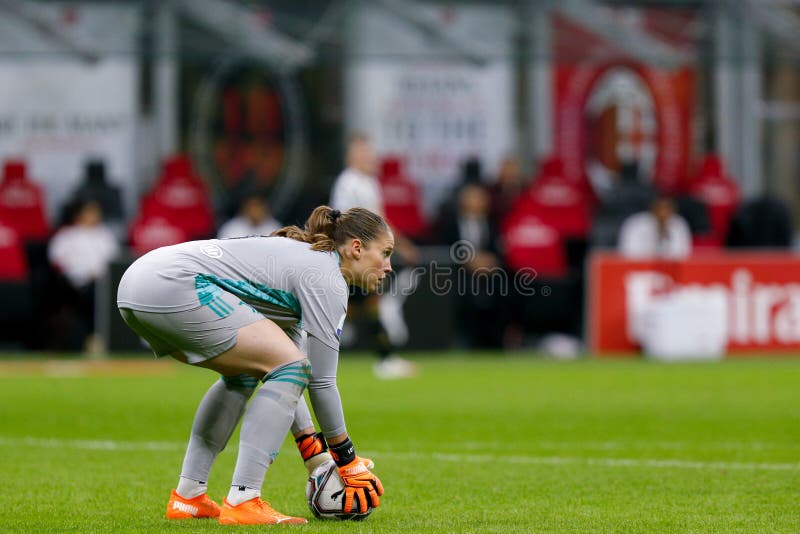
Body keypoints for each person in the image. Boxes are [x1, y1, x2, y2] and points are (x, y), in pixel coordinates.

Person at [116, 206, 387, 525]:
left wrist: (315, 456)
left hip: (140, 282)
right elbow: (320, 382)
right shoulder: (326, 278)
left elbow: (282, 372)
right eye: (385, 253)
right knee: (291, 366)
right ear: (356, 248)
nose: (388, 266)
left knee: (248, 372)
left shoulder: (307, 263)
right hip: (172, 284)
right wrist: (348, 460)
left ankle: (188, 497)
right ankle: (243, 499)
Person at [330, 132, 418, 379]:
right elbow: (349, 222)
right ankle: (385, 360)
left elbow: (379, 221)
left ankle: (385, 359)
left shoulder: (368, 183)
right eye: (362, 152)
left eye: (369, 152)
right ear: (351, 156)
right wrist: (402, 246)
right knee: (362, 306)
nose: (368, 157)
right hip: (353, 258)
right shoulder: (348, 183)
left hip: (364, 256)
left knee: (359, 307)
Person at [617, 195, 692, 259]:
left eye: (667, 208)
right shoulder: (635, 224)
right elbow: (628, 253)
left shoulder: (679, 224)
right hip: (639, 268)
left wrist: (664, 235)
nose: (663, 213)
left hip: (670, 269)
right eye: (660, 208)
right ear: (652, 208)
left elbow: (683, 254)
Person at [217, 193, 282, 239]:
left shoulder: (275, 227)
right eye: (253, 207)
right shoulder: (231, 228)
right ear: (245, 209)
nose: (256, 211)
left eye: (259, 207)